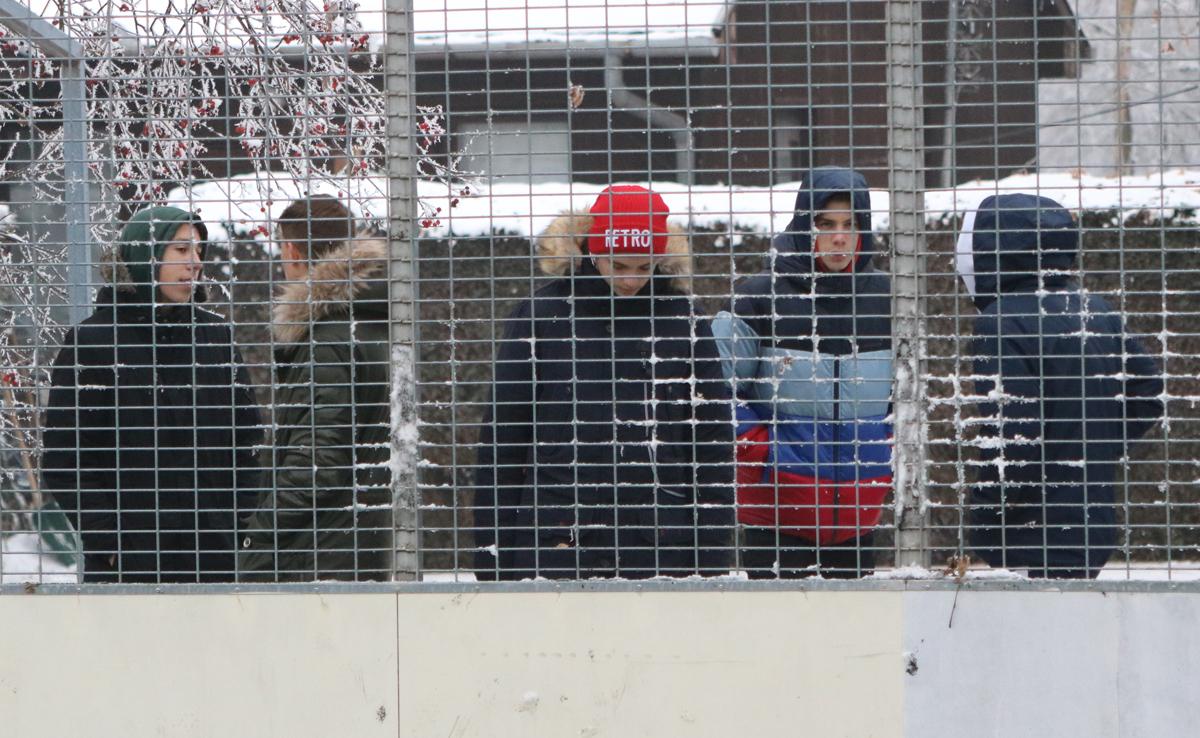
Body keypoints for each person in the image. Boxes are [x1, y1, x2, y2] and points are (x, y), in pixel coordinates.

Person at [474, 185, 735, 580]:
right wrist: (492, 559)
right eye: (618, 264)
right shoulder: (542, 316)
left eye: (645, 267)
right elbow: (504, 440)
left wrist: (712, 560)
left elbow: (712, 443)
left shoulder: (683, 318)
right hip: (556, 540)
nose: (631, 281)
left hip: (659, 546)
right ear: (592, 252)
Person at [41, 206, 262, 583]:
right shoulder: (93, 342)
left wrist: (239, 528)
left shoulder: (216, 337)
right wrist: (111, 544)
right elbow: (66, 458)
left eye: (198, 251)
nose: (195, 262)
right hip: (130, 570)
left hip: (215, 560)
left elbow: (248, 442)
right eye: (181, 250)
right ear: (147, 255)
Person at [956, 193, 1163, 578]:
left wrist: (984, 511)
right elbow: (1148, 393)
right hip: (1090, 524)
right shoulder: (1094, 309)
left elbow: (1014, 437)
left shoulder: (1000, 322)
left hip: (1028, 532)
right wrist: (1089, 451)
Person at [713, 168, 892, 578]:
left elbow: (909, 392)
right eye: (825, 224)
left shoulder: (890, 299)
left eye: (850, 224)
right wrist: (763, 450)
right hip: (775, 516)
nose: (839, 238)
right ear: (802, 225)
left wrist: (884, 446)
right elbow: (712, 389)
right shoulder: (757, 298)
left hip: (859, 517)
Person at [239, 196, 392, 581]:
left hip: (317, 553)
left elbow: (317, 462)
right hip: (360, 540)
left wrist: (259, 532)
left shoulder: (327, 341)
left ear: (292, 250)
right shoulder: (372, 321)